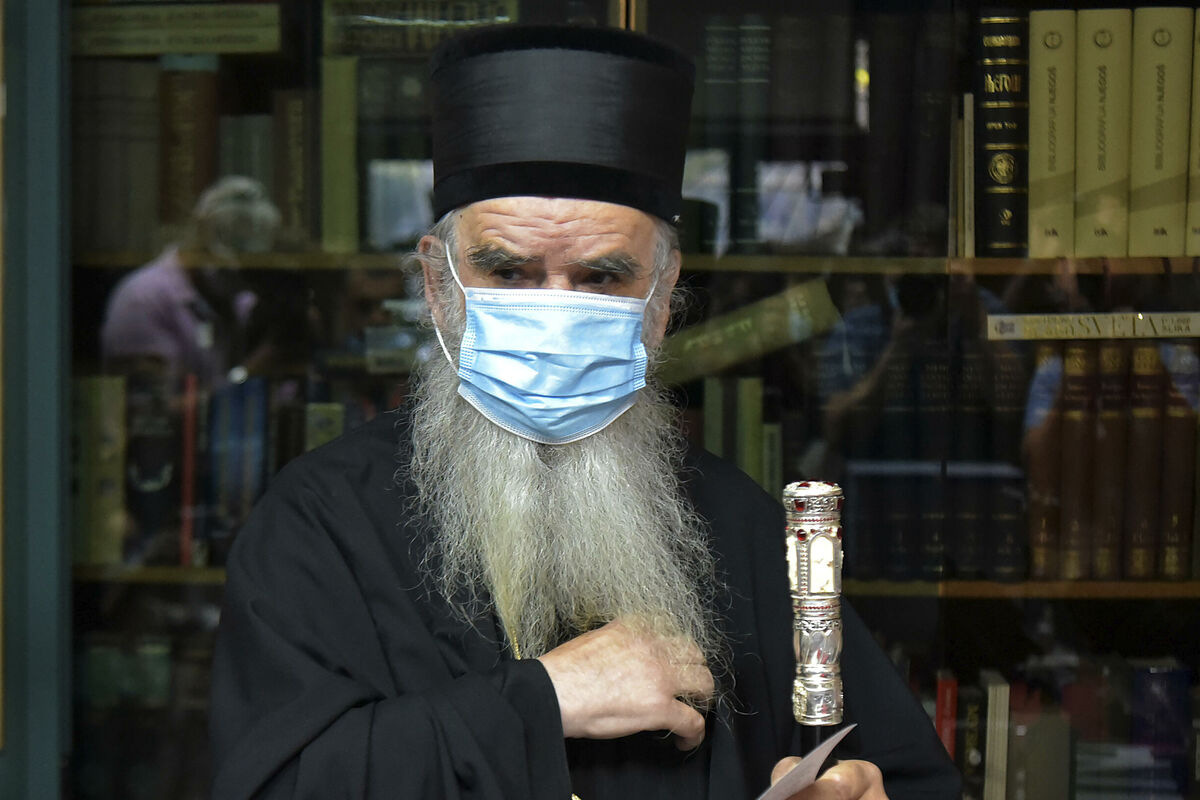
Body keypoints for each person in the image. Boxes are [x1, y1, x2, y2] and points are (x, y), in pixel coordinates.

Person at [209, 25, 961, 799]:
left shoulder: (741, 529)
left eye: (601, 279)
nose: (555, 315)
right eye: (509, 271)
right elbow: (275, 785)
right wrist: (544, 700)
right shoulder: (320, 523)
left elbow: (906, 778)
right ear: (437, 286)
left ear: (661, 301)